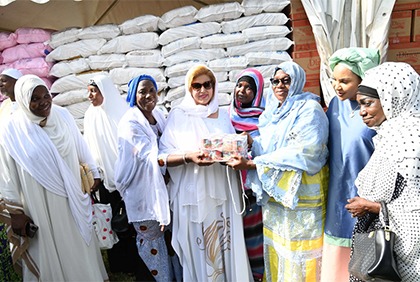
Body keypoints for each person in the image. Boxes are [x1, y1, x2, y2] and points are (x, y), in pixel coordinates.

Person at [227, 61, 329, 282]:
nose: (280, 86)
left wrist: (253, 164)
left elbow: (306, 152)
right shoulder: (274, 110)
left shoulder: (310, 109)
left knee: (301, 250)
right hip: (277, 198)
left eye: (286, 80)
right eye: (275, 81)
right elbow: (272, 145)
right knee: (281, 248)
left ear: (298, 82)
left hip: (301, 196)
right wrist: (252, 141)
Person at [0, 74, 108, 281]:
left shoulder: (63, 116)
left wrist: (94, 172)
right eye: (34, 98)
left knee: (77, 243)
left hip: (73, 197)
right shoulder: (11, 130)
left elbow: (80, 145)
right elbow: (6, 173)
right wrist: (15, 212)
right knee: (50, 248)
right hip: (40, 203)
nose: (43, 102)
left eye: (46, 96)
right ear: (23, 100)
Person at [159, 64, 252, 281]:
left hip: (222, 189)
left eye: (207, 85)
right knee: (202, 246)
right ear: (189, 89)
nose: (203, 91)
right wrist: (189, 157)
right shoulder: (179, 115)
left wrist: (238, 146)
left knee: (225, 239)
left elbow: (231, 147)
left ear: (213, 86)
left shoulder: (220, 115)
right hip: (194, 195)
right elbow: (162, 156)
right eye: (196, 86)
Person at [345, 62, 420, 281]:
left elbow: (413, 205)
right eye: (359, 105)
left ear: (392, 97)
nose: (362, 112)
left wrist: (370, 206)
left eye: (368, 103)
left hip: (407, 256)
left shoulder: (406, 140)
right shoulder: (392, 133)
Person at [83, 74, 153, 280]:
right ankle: (120, 264)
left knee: (131, 224)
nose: (90, 96)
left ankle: (138, 264)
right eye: (88, 91)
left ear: (105, 91)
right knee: (113, 221)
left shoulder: (121, 114)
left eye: (93, 91)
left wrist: (124, 176)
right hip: (104, 180)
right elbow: (89, 147)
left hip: (127, 178)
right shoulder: (90, 115)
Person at [114, 74, 182, 282]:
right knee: (153, 248)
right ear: (133, 95)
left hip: (162, 191)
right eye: (142, 91)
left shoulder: (159, 116)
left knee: (170, 244)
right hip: (143, 196)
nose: (148, 95)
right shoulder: (131, 123)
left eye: (152, 90)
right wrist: (186, 158)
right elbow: (147, 157)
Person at [321, 47, 380, 282]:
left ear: (362, 79)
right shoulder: (335, 106)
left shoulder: (375, 111)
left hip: (366, 198)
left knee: (365, 264)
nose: (338, 86)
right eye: (335, 80)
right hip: (337, 194)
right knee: (336, 262)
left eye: (345, 81)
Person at [229, 68, 265, 281]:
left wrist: (252, 143)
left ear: (258, 93)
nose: (242, 91)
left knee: (254, 236)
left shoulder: (265, 119)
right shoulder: (227, 115)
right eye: (239, 85)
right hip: (229, 186)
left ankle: (257, 275)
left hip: (251, 188)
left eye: (249, 88)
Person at [0, 68, 22, 280]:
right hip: (7, 169)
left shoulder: (28, 105)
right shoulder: (4, 107)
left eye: (4, 81)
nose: (1, 85)